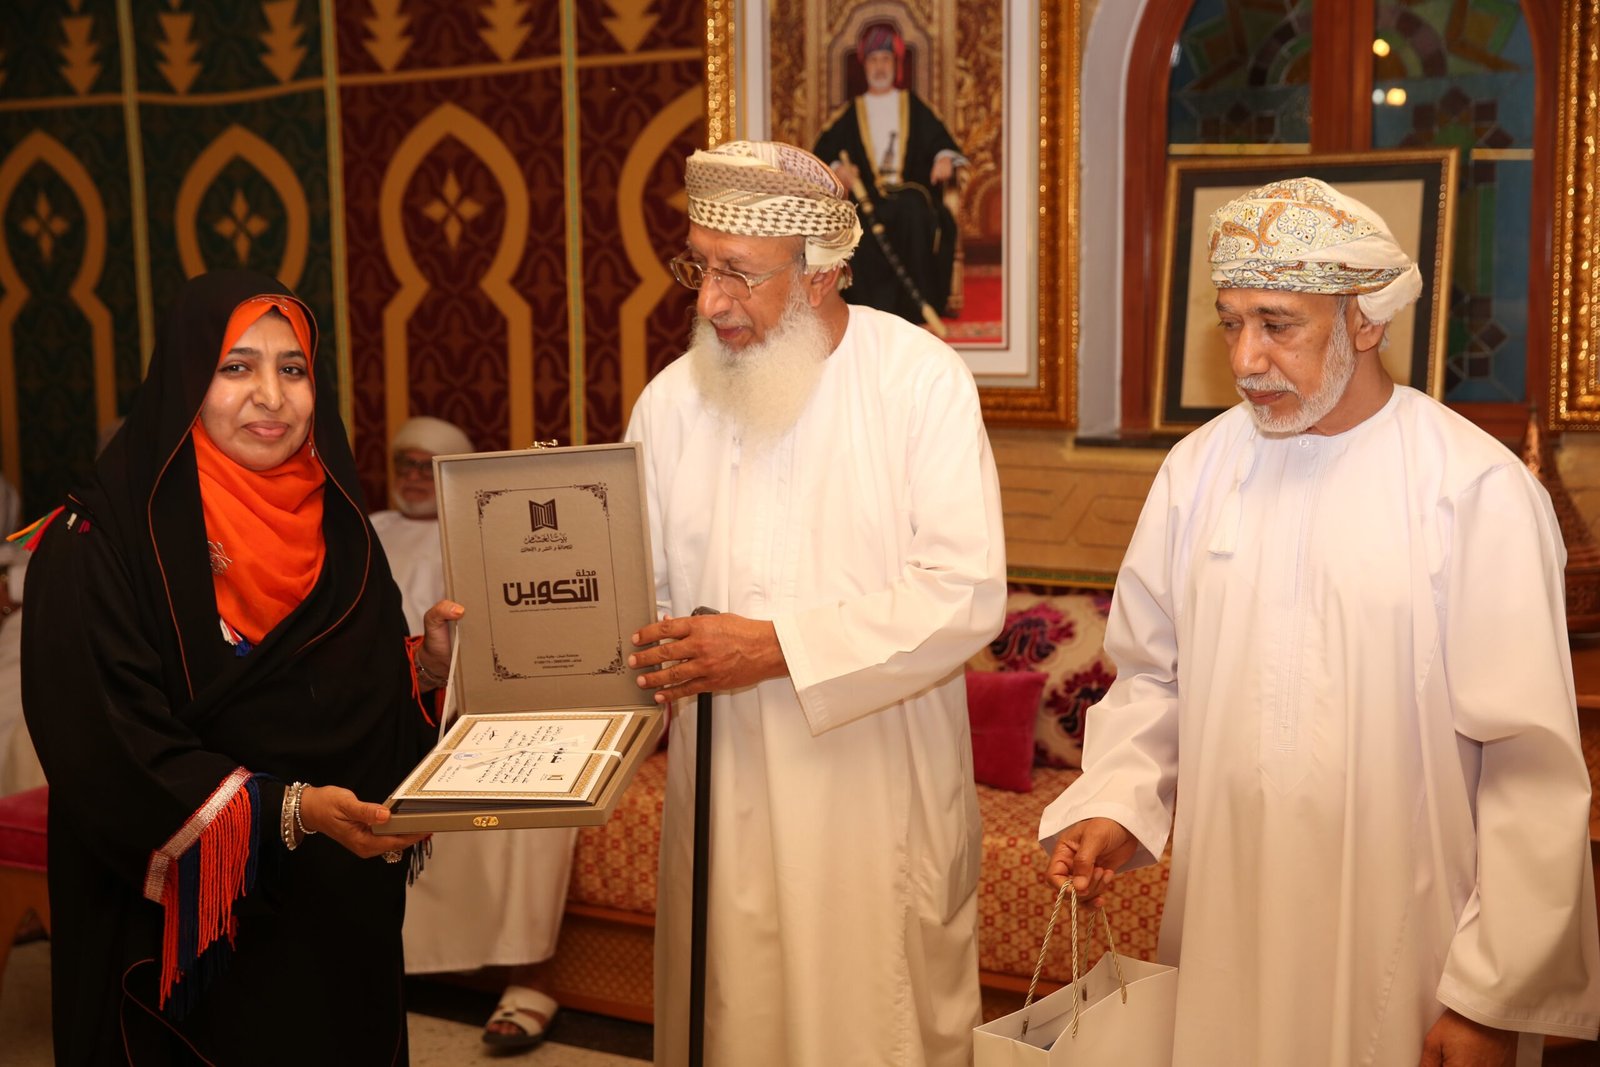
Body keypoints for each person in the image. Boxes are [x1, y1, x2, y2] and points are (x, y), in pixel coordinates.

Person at [1040, 178, 1600, 1065]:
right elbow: (1153, 677)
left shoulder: (1474, 488)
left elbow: (1528, 766)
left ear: (1364, 320)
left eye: (1278, 324)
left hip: (1405, 938)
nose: (1246, 358)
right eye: (1231, 323)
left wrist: (1489, 998)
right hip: (1226, 918)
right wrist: (1116, 803)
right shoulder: (1196, 473)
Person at [625, 140, 1006, 1067]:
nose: (710, 302)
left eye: (738, 274)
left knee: (871, 1026)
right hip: (722, 787)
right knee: (733, 1016)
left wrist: (775, 649)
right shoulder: (671, 404)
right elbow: (643, 598)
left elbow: (963, 592)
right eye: (699, 267)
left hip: (874, 786)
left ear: (823, 272)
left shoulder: (918, 381)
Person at [19, 269, 461, 1065]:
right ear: (187, 377)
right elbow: (108, 745)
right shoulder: (96, 542)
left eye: (293, 368)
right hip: (182, 936)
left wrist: (424, 670)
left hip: (330, 914)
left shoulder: (341, 529)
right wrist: (287, 809)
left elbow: (352, 697)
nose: (272, 395)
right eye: (236, 367)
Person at [375, 415, 577, 1051]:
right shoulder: (365, 529)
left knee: (539, 781)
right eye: (403, 463)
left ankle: (530, 974)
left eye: (425, 467)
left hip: (471, 700)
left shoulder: (487, 532)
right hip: (380, 702)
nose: (412, 477)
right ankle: (381, 966)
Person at [813, 20, 964, 325]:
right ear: (864, 65)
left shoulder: (912, 105)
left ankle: (916, 309)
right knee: (859, 224)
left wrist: (943, 159)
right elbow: (822, 152)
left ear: (895, 65)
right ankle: (871, 310)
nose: (880, 67)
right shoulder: (851, 112)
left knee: (914, 213)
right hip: (867, 200)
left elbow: (941, 142)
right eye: (874, 60)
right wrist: (839, 169)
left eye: (885, 59)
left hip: (909, 195)